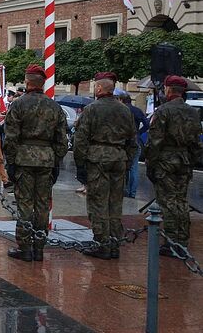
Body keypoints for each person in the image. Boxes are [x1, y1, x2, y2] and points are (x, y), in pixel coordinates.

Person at [2, 65, 69, 261]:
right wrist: (55, 159)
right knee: (42, 204)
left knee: (24, 204)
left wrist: (11, 162)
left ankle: (25, 247)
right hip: (46, 160)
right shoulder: (54, 107)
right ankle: (39, 246)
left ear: (27, 81)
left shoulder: (18, 105)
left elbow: (10, 138)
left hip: (24, 159)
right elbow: (62, 140)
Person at [72, 72, 136, 259]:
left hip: (98, 159)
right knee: (115, 203)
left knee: (98, 203)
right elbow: (132, 141)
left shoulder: (92, 109)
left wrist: (81, 165)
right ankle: (114, 243)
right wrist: (127, 161)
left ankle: (102, 244)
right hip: (119, 158)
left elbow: (80, 140)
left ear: (99, 88)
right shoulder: (125, 110)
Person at [146, 75, 203, 256]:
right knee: (181, 201)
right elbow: (197, 143)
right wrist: (190, 160)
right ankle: (182, 240)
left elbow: (155, 141)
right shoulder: (193, 113)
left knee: (168, 202)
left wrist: (151, 163)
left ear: (168, 89)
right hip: (184, 161)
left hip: (166, 162)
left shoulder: (163, 111)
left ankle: (171, 242)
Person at [115, 89, 149, 198]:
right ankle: (132, 192)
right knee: (134, 168)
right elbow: (147, 124)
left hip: (123, 142)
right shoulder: (137, 110)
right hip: (135, 141)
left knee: (122, 167)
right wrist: (140, 132)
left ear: (121, 100)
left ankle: (123, 190)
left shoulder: (121, 110)